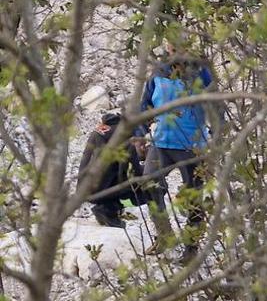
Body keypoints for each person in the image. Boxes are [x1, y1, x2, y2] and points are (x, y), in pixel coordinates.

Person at [139, 49, 216, 254]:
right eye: (172, 44)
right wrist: (140, 133)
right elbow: (144, 106)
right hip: (162, 142)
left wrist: (217, 138)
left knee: (193, 197)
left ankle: (191, 248)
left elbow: (217, 107)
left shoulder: (201, 73)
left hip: (192, 146)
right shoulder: (158, 72)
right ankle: (165, 236)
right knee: (149, 183)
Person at [76, 89, 163, 228]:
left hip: (84, 188)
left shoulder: (106, 128)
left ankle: (107, 207)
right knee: (150, 189)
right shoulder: (126, 136)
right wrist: (146, 168)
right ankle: (110, 208)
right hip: (99, 191)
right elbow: (129, 173)